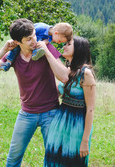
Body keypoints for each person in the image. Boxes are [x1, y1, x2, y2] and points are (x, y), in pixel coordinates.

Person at [0, 18, 70, 167]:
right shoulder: (13, 56)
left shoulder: (45, 49)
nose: (34, 40)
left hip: (51, 112)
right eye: (28, 39)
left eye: (34, 35)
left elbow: (65, 77)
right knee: (13, 158)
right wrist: (4, 50)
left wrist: (47, 52)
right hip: (27, 113)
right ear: (17, 42)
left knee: (54, 159)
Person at [37, 36, 96, 167]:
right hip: (59, 123)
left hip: (76, 126)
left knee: (72, 161)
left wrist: (85, 141)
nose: (64, 46)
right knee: (53, 159)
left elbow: (91, 109)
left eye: (68, 44)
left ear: (79, 49)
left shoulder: (86, 73)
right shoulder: (69, 70)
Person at [0, 22, 73, 71]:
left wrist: (44, 43)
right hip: (23, 41)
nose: (58, 42)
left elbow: (45, 42)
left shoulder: (50, 37)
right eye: (59, 40)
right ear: (56, 33)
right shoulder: (41, 27)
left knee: (40, 47)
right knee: (15, 49)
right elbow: (28, 31)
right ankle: (8, 62)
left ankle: (35, 54)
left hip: (32, 47)